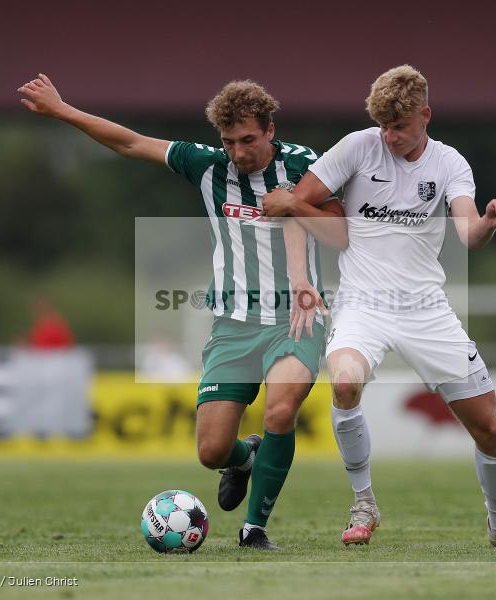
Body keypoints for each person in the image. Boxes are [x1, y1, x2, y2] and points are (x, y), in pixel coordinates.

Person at [18, 74, 344, 549]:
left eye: (248, 140)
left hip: (295, 317)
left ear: (270, 130)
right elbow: (131, 143)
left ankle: (254, 530)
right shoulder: (207, 166)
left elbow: (339, 231)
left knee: (280, 410)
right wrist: (63, 110)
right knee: (212, 451)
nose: (238, 152)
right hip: (233, 324)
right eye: (229, 142)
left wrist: (295, 204)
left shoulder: (304, 165)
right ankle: (245, 459)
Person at [263, 65, 496, 549]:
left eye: (400, 127)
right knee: (345, 382)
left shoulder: (450, 164)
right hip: (362, 304)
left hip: (426, 309)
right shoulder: (356, 147)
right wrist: (301, 275)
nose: (388, 137)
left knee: (490, 429)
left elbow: (468, 234)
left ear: (425, 115)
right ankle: (364, 503)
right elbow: (292, 203)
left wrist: (491, 221)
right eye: (383, 126)